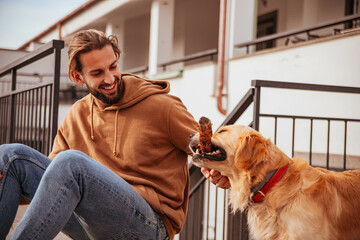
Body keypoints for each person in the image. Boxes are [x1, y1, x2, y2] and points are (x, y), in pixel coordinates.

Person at [0, 29, 229, 240]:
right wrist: (10, 180)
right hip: (91, 223)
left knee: (71, 163)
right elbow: (53, 181)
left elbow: (208, 147)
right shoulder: (76, 115)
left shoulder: (161, 106)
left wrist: (223, 172)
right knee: (9, 157)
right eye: (98, 73)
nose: (110, 79)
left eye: (113, 66)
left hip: (149, 226)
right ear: (78, 77)